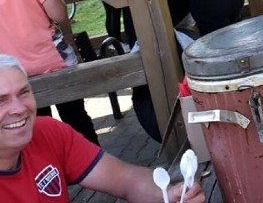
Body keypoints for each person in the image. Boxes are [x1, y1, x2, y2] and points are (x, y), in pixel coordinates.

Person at [0, 54, 205, 203]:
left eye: (24, 92)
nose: (18, 108)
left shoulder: (47, 132)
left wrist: (169, 194)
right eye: (1, 101)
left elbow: (125, 180)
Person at [0, 0, 100, 146]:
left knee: (38, 126)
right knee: (76, 119)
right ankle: (91, 166)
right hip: (52, 63)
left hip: (15, 73)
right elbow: (59, 14)